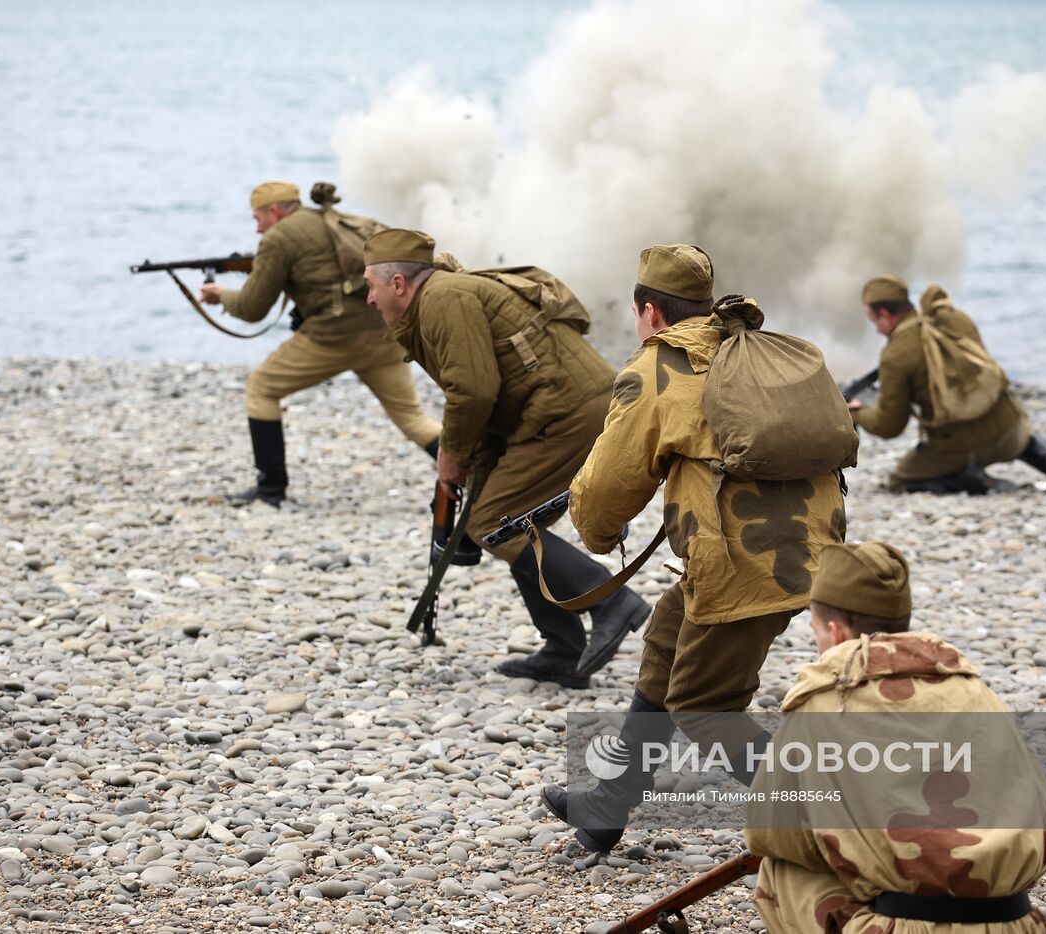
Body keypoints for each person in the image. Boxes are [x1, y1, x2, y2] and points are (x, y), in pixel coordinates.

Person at [539, 245, 848, 852]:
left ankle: (826, 824)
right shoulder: (753, 346)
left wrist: (598, 536)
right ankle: (608, 805)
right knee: (667, 637)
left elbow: (608, 484)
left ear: (649, 311)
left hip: (743, 564)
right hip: (813, 548)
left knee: (704, 706)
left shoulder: (659, 369)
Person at [361, 229, 650, 687]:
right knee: (511, 519)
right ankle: (563, 650)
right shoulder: (439, 299)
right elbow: (492, 392)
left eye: (371, 286)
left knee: (493, 521)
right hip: (562, 407)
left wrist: (451, 457)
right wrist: (476, 465)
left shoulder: (443, 299)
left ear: (398, 284)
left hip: (569, 411)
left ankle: (611, 602)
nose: (370, 300)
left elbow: (474, 391)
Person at [745, 542, 1046, 934]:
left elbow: (768, 830)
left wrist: (853, 851)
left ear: (835, 631)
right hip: (1014, 924)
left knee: (782, 868)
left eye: (816, 632)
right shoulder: (975, 689)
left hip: (903, 928)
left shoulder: (823, 699)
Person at [199, 180, 441, 507]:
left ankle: (270, 490)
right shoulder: (337, 219)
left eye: (257, 219)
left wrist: (221, 297)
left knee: (261, 389)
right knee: (411, 417)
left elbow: (252, 309)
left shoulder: (278, 238)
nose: (257, 229)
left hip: (333, 338)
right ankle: (474, 474)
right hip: (384, 334)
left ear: (274, 211)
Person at [849, 276, 1046, 494]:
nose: (878, 330)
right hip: (1010, 430)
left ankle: (981, 483)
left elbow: (890, 425)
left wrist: (858, 414)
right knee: (1021, 435)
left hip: (959, 446)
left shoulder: (896, 354)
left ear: (883, 315)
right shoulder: (954, 319)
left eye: (874, 321)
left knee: (901, 480)